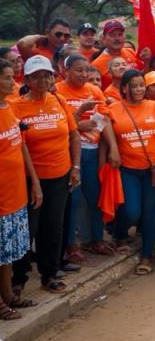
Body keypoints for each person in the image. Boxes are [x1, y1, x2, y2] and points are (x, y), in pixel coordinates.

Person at [11, 56, 80, 294]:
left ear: (52, 77)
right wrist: (34, 181)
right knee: (28, 228)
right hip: (30, 179)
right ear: (27, 80)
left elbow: (74, 135)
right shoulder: (16, 106)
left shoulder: (59, 100)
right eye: (36, 76)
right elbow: (20, 145)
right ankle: (19, 278)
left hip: (60, 175)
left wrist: (75, 167)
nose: (43, 80)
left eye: (46, 75)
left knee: (53, 226)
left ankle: (49, 274)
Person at [103, 70, 155, 275]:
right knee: (132, 211)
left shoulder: (153, 106)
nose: (138, 89)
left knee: (149, 212)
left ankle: (146, 256)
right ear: (125, 88)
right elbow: (105, 124)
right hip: (128, 169)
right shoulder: (114, 108)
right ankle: (120, 234)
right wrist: (113, 148)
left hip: (153, 168)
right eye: (134, 86)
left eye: (141, 85)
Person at [56, 54, 114, 261]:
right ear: (66, 70)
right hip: (69, 152)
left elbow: (105, 118)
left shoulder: (94, 90)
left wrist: (112, 148)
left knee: (94, 196)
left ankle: (96, 239)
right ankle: (71, 244)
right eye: (78, 70)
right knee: (73, 200)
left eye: (86, 70)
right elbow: (57, 125)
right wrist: (79, 121)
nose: (83, 74)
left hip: (92, 151)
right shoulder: (57, 91)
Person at [0, 59, 42, 318]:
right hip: (2, 197)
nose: (12, 82)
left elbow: (21, 146)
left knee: (6, 254)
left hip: (15, 194)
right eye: (6, 77)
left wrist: (34, 182)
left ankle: (7, 295)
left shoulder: (8, 107)